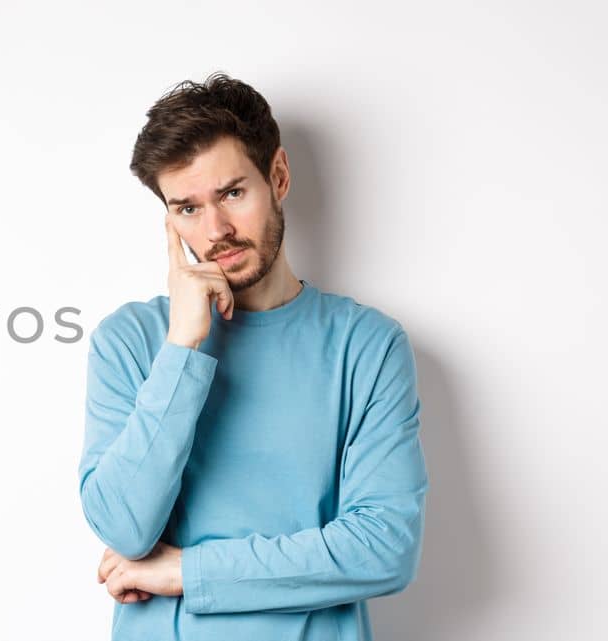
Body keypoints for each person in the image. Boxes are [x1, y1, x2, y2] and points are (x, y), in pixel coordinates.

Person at [77, 72, 428, 641]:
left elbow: (384, 548)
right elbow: (124, 526)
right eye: (186, 209)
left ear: (279, 176)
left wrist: (188, 572)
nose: (215, 230)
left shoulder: (367, 345)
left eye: (232, 193)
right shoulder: (132, 340)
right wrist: (184, 344)